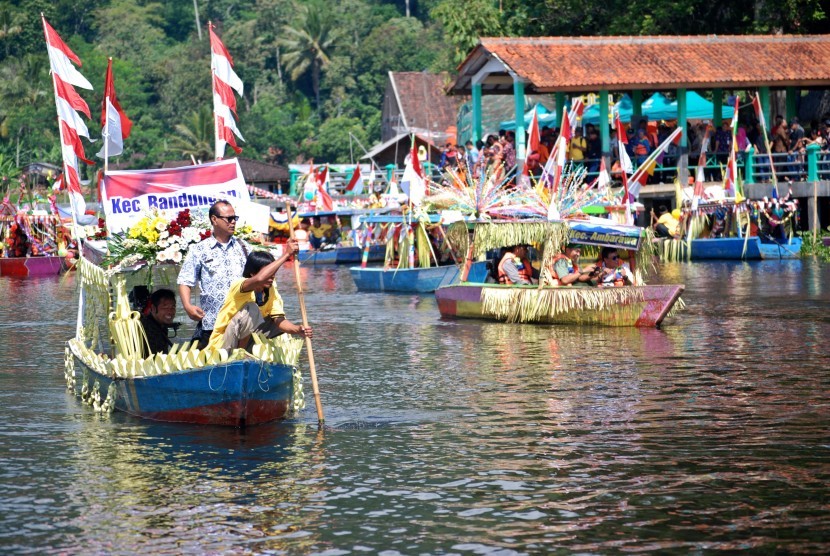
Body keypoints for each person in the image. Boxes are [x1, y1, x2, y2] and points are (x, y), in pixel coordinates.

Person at [209, 250, 312, 351]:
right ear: (252, 274)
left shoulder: (271, 290)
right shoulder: (241, 285)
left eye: (273, 273)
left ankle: (247, 352)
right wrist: (287, 255)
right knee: (252, 309)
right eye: (268, 273)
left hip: (248, 340)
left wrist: (298, 330)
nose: (271, 277)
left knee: (273, 322)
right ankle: (240, 353)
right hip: (224, 344)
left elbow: (280, 321)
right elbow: (259, 279)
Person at [140, 289, 178, 357]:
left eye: (173, 307)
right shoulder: (146, 327)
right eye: (165, 307)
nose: (170, 311)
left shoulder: (161, 324)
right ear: (153, 308)